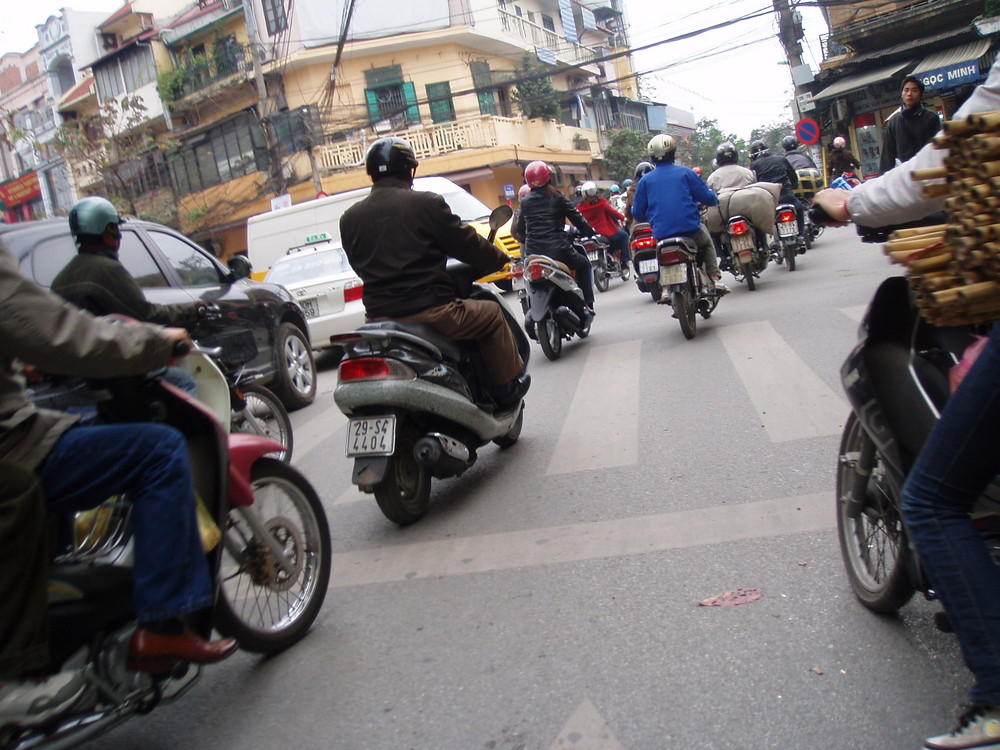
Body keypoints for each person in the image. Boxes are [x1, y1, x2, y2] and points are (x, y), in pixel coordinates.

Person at [813, 57, 1000, 750]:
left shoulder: (942, 116)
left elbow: (946, 161)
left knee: (931, 500)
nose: (914, 94)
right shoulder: (895, 125)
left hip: (907, 200)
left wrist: (854, 201)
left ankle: (996, 696)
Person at [0, 239, 237, 730]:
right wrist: (160, 338)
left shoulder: (67, 269)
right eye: (113, 233)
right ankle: (163, 622)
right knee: (157, 450)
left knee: (59, 435)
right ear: (110, 234)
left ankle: (59, 612)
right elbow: (58, 325)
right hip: (40, 406)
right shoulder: (108, 271)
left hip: (56, 382)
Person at [339, 137, 528, 409]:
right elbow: (466, 244)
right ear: (409, 170)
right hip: (433, 312)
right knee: (491, 314)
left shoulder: (349, 218)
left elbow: (360, 265)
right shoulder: (425, 204)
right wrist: (497, 258)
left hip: (377, 319)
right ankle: (505, 389)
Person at [51, 196, 206, 395]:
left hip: (78, 375)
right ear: (108, 232)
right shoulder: (107, 270)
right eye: (116, 229)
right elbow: (146, 314)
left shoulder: (61, 278)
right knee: (184, 382)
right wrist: (191, 312)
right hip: (113, 370)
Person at [631, 134, 727, 292]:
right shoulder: (686, 173)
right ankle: (714, 278)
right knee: (707, 242)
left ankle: (667, 288)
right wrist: (714, 200)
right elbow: (706, 197)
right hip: (690, 230)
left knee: (660, 255)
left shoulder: (644, 181)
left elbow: (638, 213)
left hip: (662, 235)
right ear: (672, 152)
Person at [515, 160, 597, 318]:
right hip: (559, 252)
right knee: (585, 265)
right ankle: (587, 305)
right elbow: (577, 218)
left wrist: (528, 238)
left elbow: (521, 230)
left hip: (532, 255)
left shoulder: (525, 202)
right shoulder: (558, 198)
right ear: (549, 178)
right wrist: (589, 232)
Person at [706, 142, 757, 272]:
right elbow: (756, 187)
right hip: (746, 205)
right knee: (758, 224)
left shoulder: (713, 176)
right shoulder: (747, 172)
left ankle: (723, 258)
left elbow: (709, 194)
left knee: (714, 233)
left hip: (723, 209)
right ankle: (764, 248)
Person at [749, 139, 805, 251]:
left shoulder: (754, 166)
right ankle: (801, 236)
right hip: (787, 196)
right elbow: (793, 177)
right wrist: (792, 187)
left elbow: (754, 185)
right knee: (799, 209)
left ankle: (770, 243)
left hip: (769, 200)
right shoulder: (781, 158)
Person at [879, 75, 941, 174]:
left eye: (914, 90)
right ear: (902, 94)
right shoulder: (894, 121)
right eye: (906, 90)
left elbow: (934, 150)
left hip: (925, 172)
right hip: (903, 174)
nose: (909, 94)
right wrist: (882, 180)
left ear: (921, 94)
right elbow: (887, 155)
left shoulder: (931, 118)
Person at [576, 181, 631, 267]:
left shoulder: (580, 207)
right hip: (606, 233)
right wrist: (624, 218)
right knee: (624, 236)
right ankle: (625, 261)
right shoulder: (601, 202)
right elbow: (613, 213)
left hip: (589, 235)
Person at [624, 162, 653, 227]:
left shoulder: (631, 190)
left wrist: (633, 222)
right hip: (656, 223)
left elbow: (627, 212)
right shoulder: (656, 188)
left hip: (638, 225)